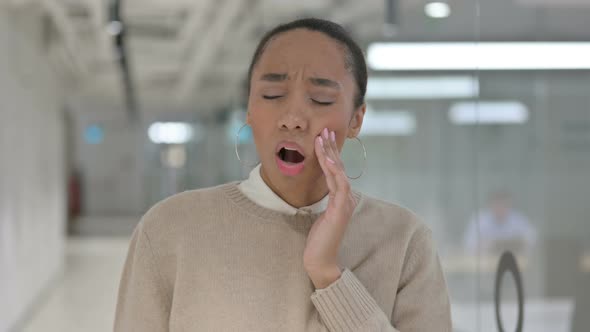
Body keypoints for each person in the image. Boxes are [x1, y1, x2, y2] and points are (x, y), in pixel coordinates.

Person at [114, 18, 451, 332]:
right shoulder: (169, 229)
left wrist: (328, 275)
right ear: (249, 107)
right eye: (271, 95)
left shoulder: (405, 240)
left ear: (356, 120)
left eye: (320, 99)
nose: (292, 118)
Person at [463, 190, 537, 255]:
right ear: (490, 204)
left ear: (509, 205)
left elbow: (532, 239)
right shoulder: (480, 219)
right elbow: (468, 244)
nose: (500, 208)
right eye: (497, 204)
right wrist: (489, 245)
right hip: (486, 262)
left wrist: (514, 243)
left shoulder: (518, 219)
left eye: (504, 204)